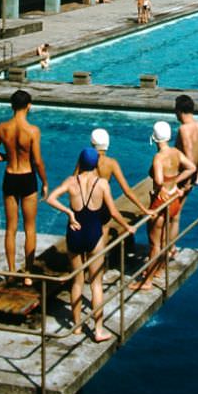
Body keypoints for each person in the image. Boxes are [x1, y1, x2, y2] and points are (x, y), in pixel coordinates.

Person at [48, 147, 134, 342]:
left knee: (77, 282)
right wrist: (127, 227)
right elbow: (113, 212)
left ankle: (77, 326)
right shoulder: (102, 183)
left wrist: (69, 213)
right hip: (94, 235)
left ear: (80, 162)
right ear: (95, 164)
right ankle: (98, 330)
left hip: (75, 233)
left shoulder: (71, 181)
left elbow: (50, 198)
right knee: (96, 283)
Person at [0, 89, 48, 285]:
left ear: (12, 106)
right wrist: (45, 182)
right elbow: (37, 161)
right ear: (29, 106)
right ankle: (28, 274)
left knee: (10, 228)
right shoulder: (33, 131)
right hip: (27, 177)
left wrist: (8, 157)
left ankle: (12, 272)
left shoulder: (2, 128)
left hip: (10, 176)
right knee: (30, 228)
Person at [130, 121, 195, 291]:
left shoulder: (158, 157)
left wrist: (162, 186)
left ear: (154, 138)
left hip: (161, 202)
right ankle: (158, 269)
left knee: (154, 244)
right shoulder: (176, 153)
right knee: (165, 239)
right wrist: (175, 180)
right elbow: (191, 168)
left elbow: (158, 179)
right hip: (174, 199)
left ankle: (147, 282)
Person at [88, 127, 152, 234]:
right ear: (107, 143)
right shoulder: (111, 163)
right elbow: (127, 191)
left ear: (92, 143)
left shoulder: (84, 160)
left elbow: (75, 182)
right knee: (104, 228)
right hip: (103, 207)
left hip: (86, 206)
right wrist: (144, 209)